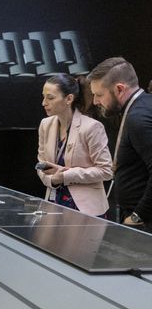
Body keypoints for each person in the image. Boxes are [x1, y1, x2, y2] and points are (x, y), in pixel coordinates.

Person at [89, 57, 152, 232]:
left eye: (99, 95)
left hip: (143, 223)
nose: (95, 101)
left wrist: (139, 215)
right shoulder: (143, 106)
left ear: (119, 89)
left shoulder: (137, 117)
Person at [36, 74, 112, 217]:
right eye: (44, 97)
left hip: (86, 209)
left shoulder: (91, 127)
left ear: (69, 99)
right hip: (53, 202)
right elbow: (41, 164)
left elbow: (106, 171)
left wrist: (66, 176)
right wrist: (52, 180)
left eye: (50, 98)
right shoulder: (45, 125)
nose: (44, 103)